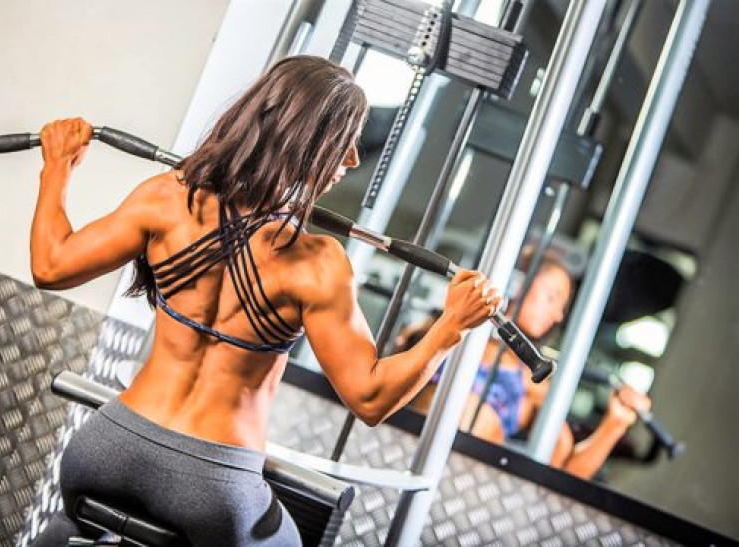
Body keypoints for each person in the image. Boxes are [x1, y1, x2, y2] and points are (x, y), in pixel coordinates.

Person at [29, 55, 502, 546]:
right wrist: (451, 326)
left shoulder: (166, 198)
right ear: (305, 140)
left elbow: (51, 265)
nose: (352, 160)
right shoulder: (316, 262)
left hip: (109, 447)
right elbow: (370, 398)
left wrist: (56, 168)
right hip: (212, 483)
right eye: (344, 141)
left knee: (70, 529)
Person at [406, 251, 652, 480]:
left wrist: (615, 424)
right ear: (519, 284)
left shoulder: (532, 380)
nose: (557, 315)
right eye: (552, 298)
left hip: (459, 476)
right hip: (405, 446)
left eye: (562, 308)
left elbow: (563, 474)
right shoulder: (447, 327)